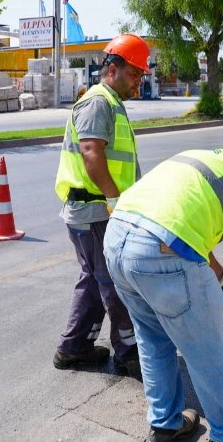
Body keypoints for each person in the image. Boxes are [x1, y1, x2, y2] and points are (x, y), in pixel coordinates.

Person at [103, 121, 223, 442]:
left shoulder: (199, 158)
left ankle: (165, 425)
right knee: (213, 351)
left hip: (117, 239)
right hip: (160, 252)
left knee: (154, 339)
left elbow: (188, 232)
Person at [52, 33, 151, 374]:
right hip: (96, 209)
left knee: (94, 279)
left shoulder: (110, 102)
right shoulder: (98, 103)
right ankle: (128, 353)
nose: (139, 82)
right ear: (113, 68)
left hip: (95, 209)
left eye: (141, 75)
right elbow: (91, 153)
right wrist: (115, 200)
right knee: (114, 282)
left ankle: (74, 347)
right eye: (135, 74)